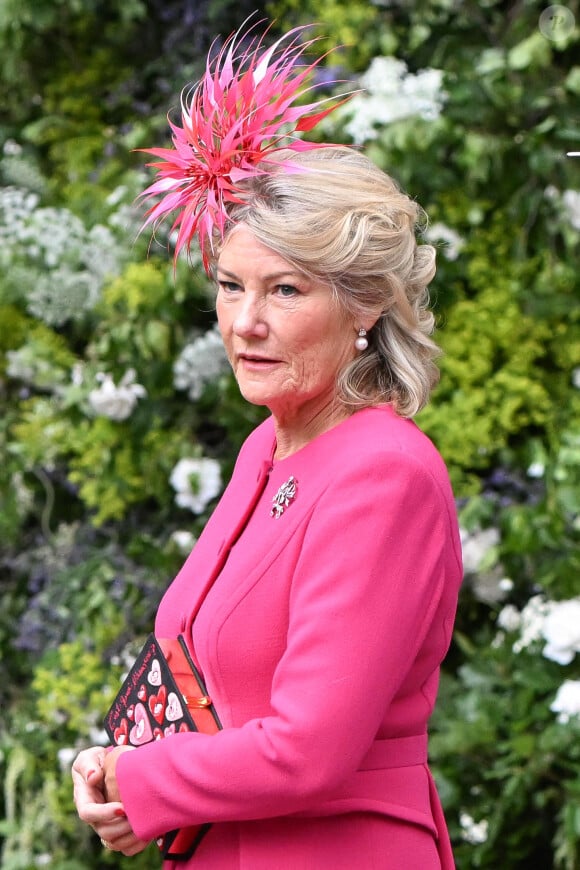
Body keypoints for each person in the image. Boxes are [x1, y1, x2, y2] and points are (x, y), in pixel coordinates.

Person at [72, 20, 463, 869]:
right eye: (230, 285)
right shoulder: (268, 447)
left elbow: (308, 748)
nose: (245, 323)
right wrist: (115, 763)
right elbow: (202, 675)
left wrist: (147, 783)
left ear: (364, 305)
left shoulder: (383, 472)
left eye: (285, 289)